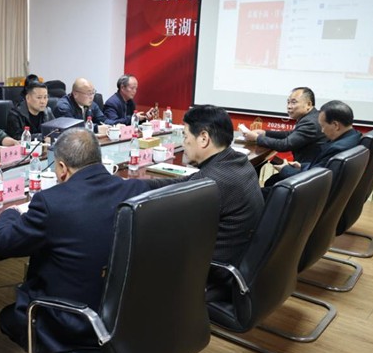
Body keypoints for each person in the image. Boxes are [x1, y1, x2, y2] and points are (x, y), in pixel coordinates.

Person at [0, 128, 151, 353]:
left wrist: (9, 213)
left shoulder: (51, 202)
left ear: (62, 168)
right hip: (122, 312)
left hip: (73, 322)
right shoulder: (135, 189)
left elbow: (2, 242)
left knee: (7, 317)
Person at [144, 105, 264, 297]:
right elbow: (187, 182)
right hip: (240, 264)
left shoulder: (211, 182)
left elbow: (170, 219)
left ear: (203, 138)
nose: (184, 143)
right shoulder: (237, 162)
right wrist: (138, 185)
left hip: (214, 277)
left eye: (185, 136)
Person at [244, 87, 326, 186]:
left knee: (271, 182)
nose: (289, 106)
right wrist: (265, 133)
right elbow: (290, 134)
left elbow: (285, 145)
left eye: (294, 102)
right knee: (271, 180)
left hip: (308, 170)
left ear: (308, 104)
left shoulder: (310, 123)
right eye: (288, 102)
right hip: (308, 166)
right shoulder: (310, 117)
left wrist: (257, 138)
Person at [270, 100, 361, 182]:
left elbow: (314, 179)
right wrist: (302, 166)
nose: (322, 131)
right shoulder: (355, 136)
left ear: (335, 125)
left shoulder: (337, 149)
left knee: (271, 183)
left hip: (312, 190)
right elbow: (323, 166)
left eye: (323, 126)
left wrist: (285, 169)